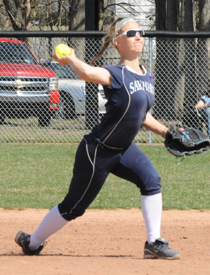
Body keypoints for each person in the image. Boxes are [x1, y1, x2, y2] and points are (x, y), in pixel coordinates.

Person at [14, 17, 180, 260]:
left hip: (124, 148)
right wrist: (70, 58)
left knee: (151, 180)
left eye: (140, 32)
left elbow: (143, 117)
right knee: (73, 207)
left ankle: (153, 242)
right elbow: (89, 73)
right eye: (131, 32)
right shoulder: (116, 73)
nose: (138, 35)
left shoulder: (146, 78)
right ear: (117, 42)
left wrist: (168, 132)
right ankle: (32, 243)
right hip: (98, 150)